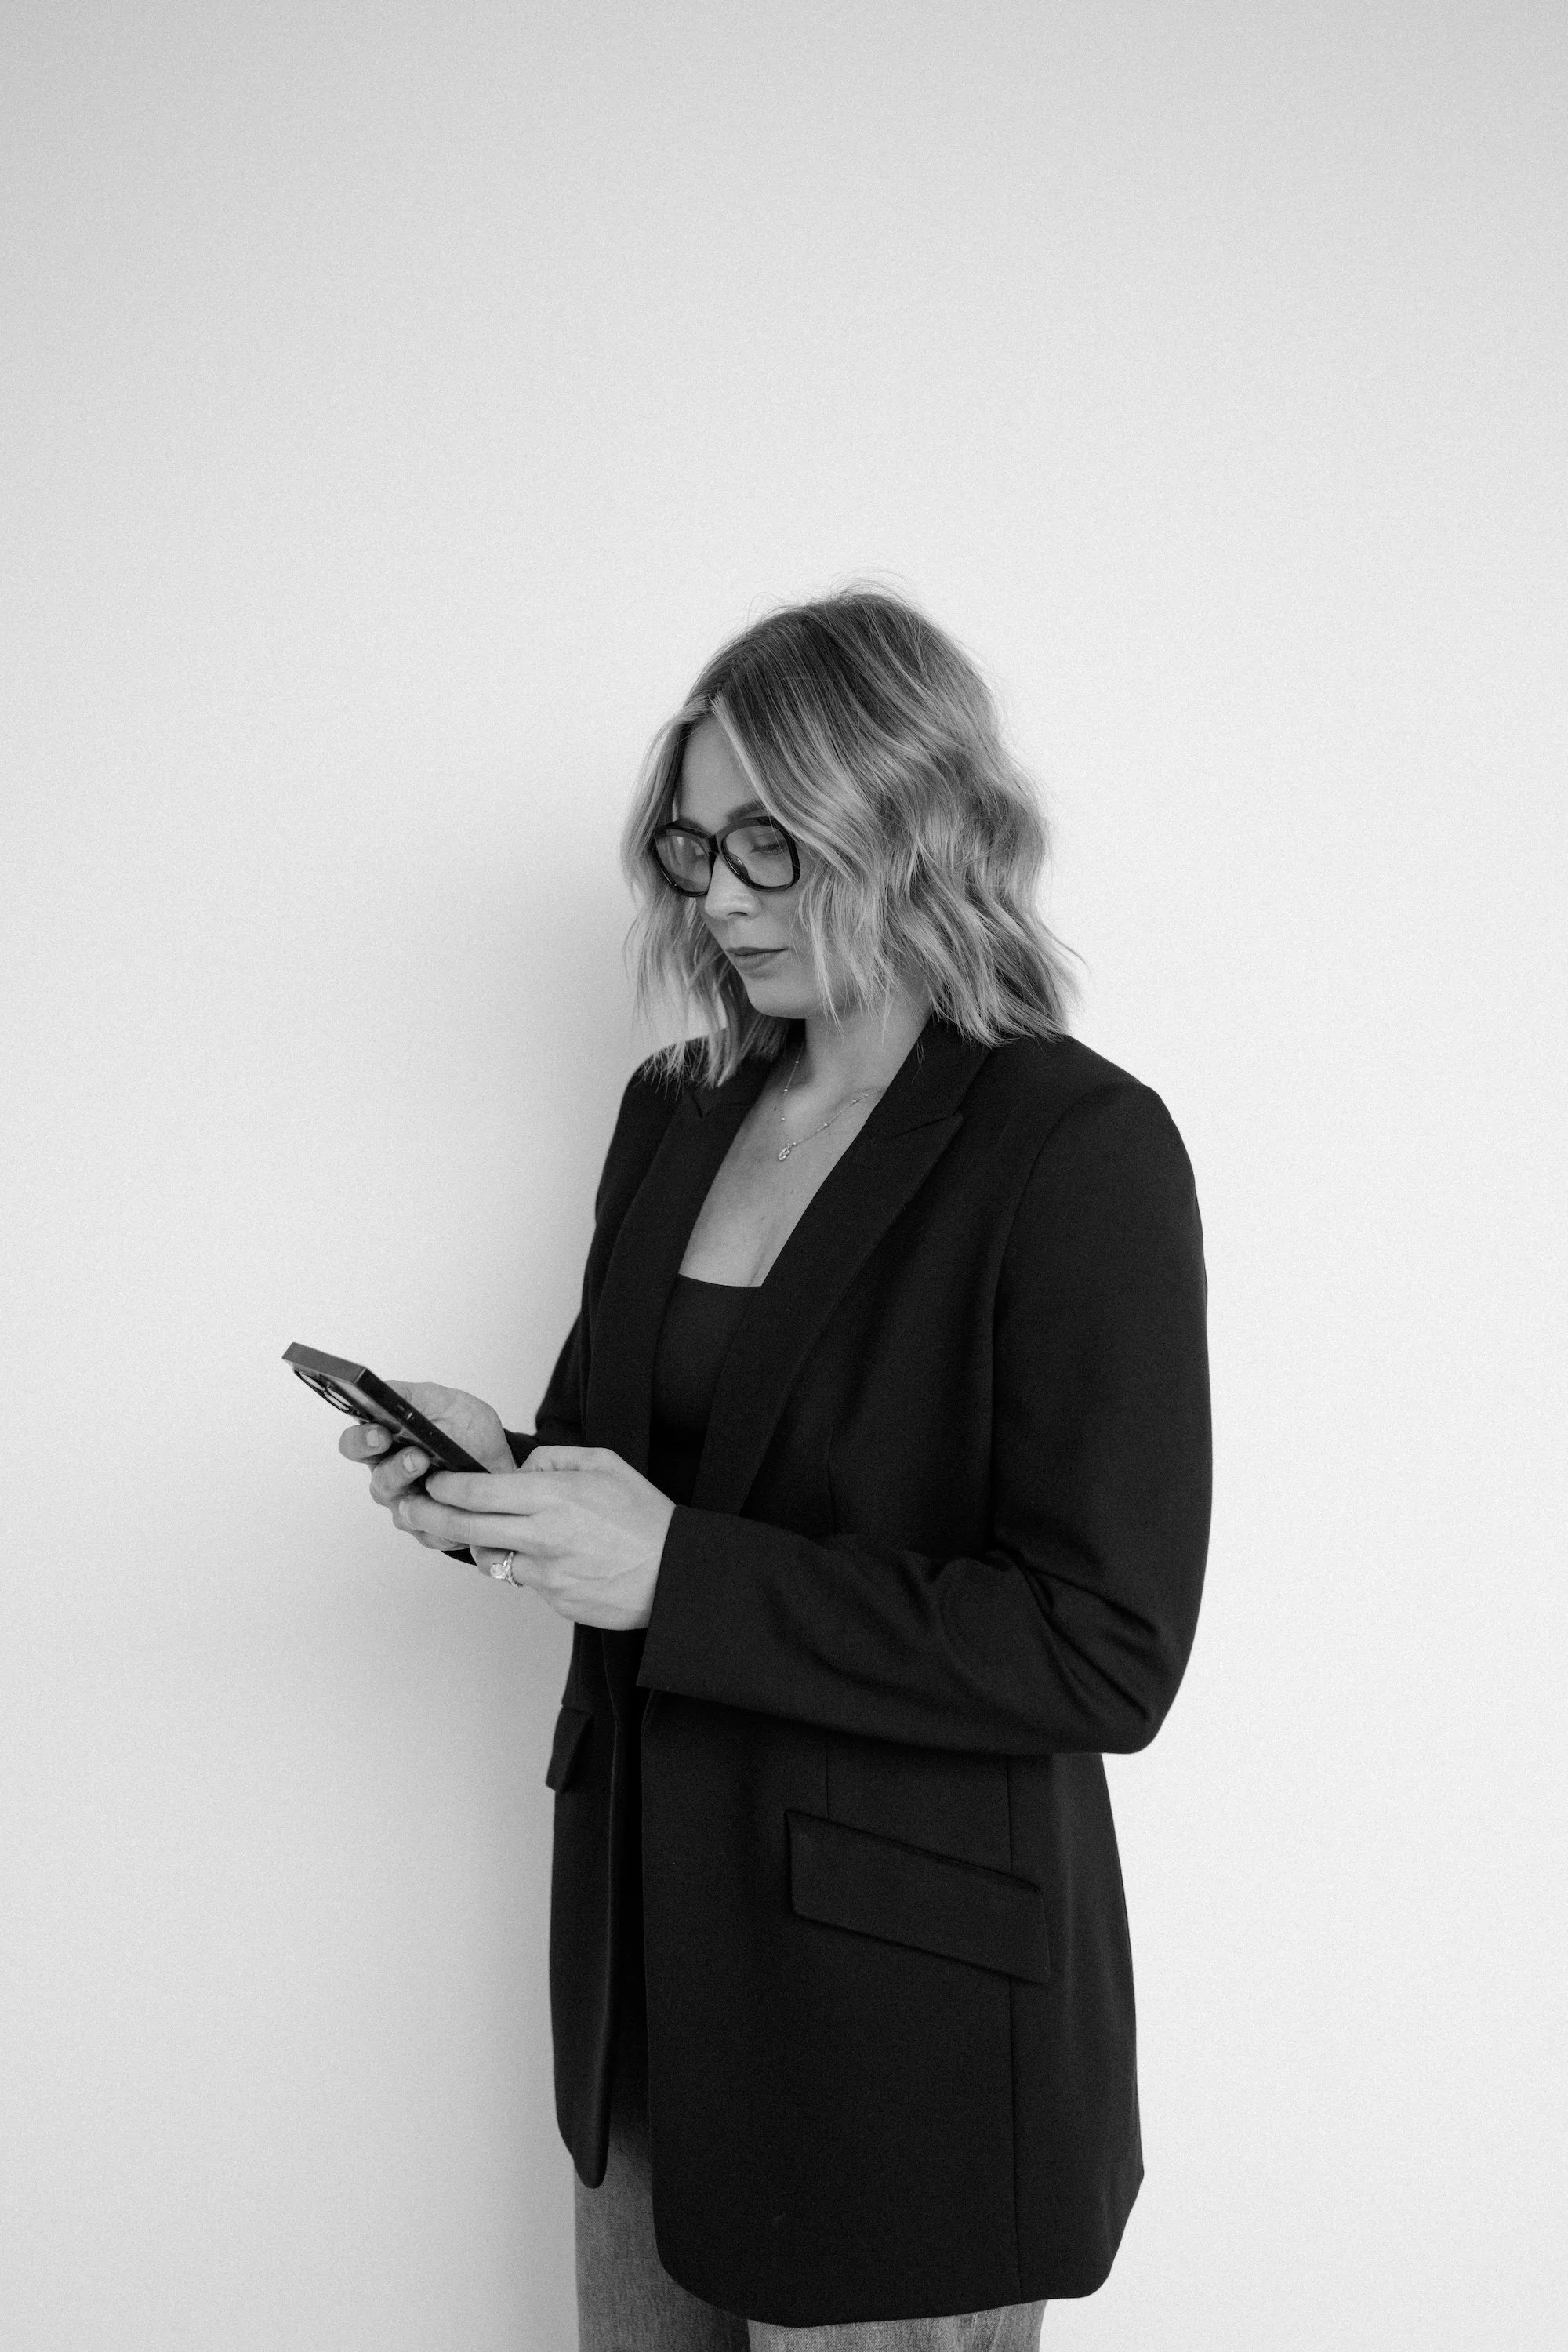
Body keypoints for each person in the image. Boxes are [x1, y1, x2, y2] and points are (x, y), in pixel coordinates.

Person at [339, 590, 1212, 2350]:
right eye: (691, 845)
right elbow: (633, 1467)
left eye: (769, 847)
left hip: (902, 2031)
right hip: (652, 1988)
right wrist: (496, 1476)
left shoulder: (1076, 1150)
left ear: (913, 828)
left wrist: (681, 1575)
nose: (715, 897)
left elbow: (1102, 1649)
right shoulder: (683, 1106)